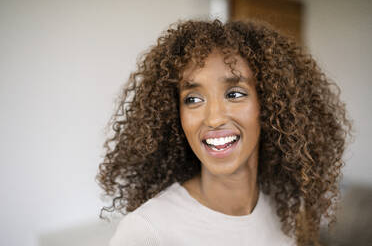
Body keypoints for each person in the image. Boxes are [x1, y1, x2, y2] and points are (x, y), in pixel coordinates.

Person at [96, 19, 352, 246]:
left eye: (235, 94)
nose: (214, 118)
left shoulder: (285, 210)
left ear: (270, 104)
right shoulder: (148, 231)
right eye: (193, 99)